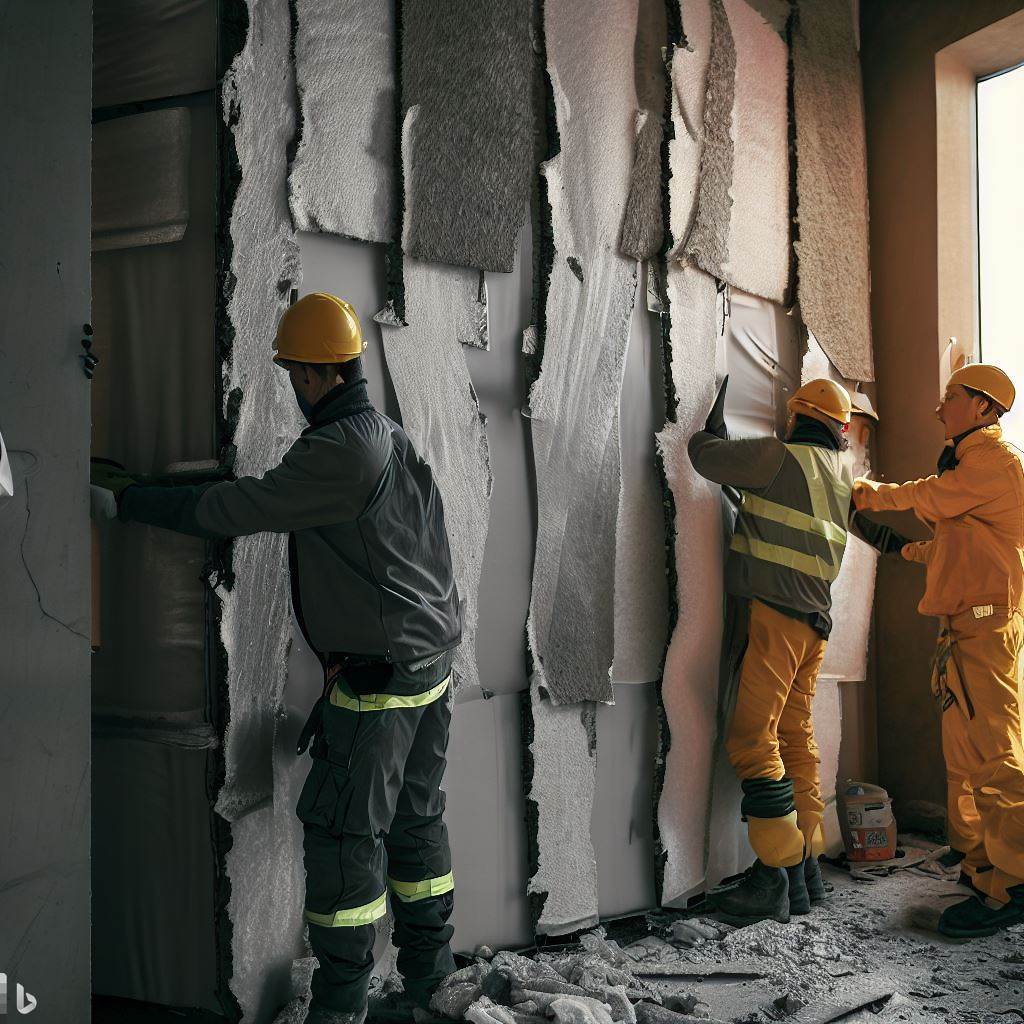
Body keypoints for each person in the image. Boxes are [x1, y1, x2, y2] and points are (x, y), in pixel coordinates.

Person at [91, 292, 462, 1024]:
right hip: (428, 665)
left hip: (379, 681)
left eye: (294, 371)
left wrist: (130, 505)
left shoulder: (339, 452)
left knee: (346, 843)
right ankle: (428, 988)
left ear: (314, 376)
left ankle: (340, 1010)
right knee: (417, 827)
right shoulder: (381, 431)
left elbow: (242, 508)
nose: (292, 385)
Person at [691, 378, 871, 924]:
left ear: (798, 417)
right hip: (815, 626)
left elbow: (705, 458)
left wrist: (710, 427)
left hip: (774, 616)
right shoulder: (845, 478)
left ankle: (775, 875)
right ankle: (805, 870)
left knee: (751, 738)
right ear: (839, 429)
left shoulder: (777, 456)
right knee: (796, 738)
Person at [853, 363, 1024, 938]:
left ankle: (1016, 885)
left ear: (983, 407)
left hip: (984, 628)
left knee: (996, 758)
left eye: (950, 396)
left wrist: (871, 493)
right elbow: (953, 545)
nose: (938, 407)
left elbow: (935, 497)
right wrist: (896, 546)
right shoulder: (971, 471)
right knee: (966, 761)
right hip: (963, 629)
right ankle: (982, 869)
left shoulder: (994, 465)